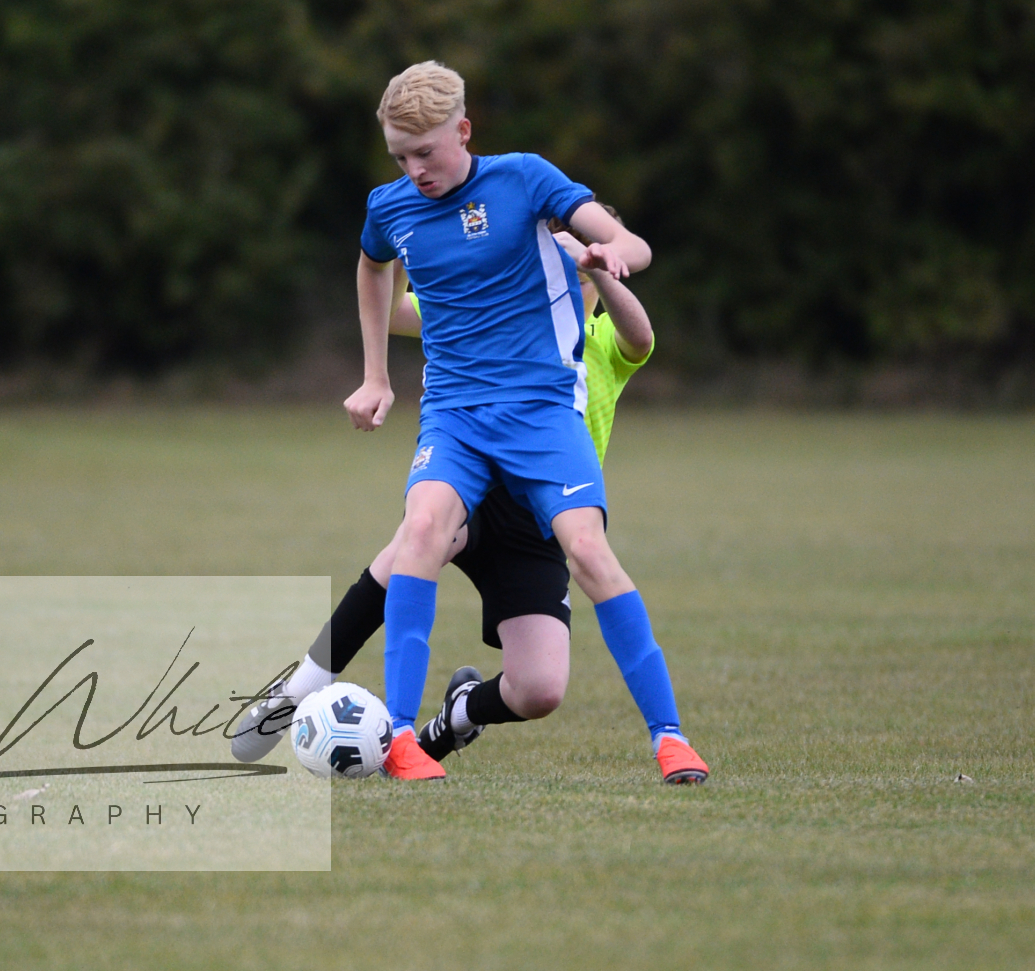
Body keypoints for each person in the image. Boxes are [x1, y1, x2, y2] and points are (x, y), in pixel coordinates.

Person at [233, 215, 708, 783]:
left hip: (540, 522)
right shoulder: (495, 312)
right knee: (414, 541)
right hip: (472, 490)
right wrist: (410, 245)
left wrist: (598, 265)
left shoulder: (603, 339)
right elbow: (392, 308)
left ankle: (457, 718)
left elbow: (642, 338)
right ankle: (295, 693)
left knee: (540, 689)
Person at [349, 60, 705, 782]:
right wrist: (376, 376)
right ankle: (399, 737)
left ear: (464, 131)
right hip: (455, 415)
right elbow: (372, 267)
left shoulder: (524, 177)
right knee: (421, 529)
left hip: (542, 413)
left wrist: (611, 254)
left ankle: (670, 738)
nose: (414, 171)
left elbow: (631, 244)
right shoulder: (391, 206)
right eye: (400, 156)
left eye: (426, 152)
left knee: (591, 552)